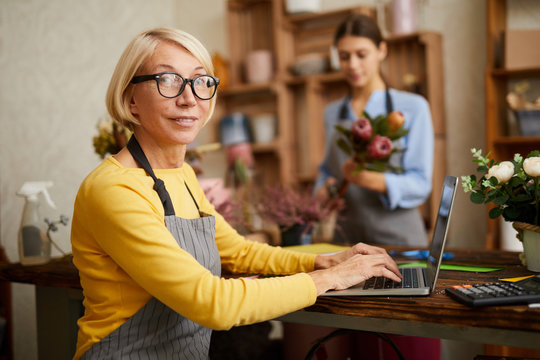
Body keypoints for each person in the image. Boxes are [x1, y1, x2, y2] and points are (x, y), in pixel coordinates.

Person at [70, 27, 402, 360]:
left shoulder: (180, 175)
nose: (189, 98)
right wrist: (328, 278)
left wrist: (323, 259)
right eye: (168, 80)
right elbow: (211, 303)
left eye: (200, 81)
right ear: (130, 99)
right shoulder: (114, 188)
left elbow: (237, 251)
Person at [315, 14, 434, 247]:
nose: (353, 65)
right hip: (347, 243)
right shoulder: (332, 113)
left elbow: (420, 183)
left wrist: (365, 178)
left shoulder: (413, 107)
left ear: (381, 50)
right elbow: (326, 170)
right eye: (344, 56)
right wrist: (324, 190)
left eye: (361, 55)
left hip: (400, 242)